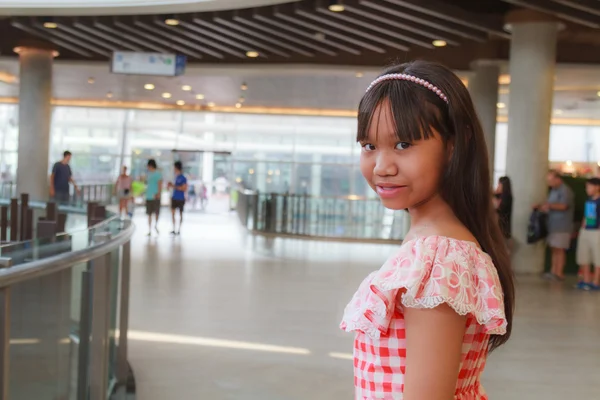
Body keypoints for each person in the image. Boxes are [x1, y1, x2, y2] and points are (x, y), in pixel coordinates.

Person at [339, 61, 514, 399]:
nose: (382, 167)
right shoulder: (439, 242)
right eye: (369, 145)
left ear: (453, 145)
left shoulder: (437, 257)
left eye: (403, 144)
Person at [540, 170, 574, 281]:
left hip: (562, 226)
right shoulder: (553, 191)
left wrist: (549, 206)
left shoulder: (565, 191)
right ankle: (553, 271)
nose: (549, 183)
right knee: (554, 249)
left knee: (560, 249)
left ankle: (559, 273)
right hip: (553, 225)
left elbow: (564, 206)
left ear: (558, 179)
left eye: (551, 180)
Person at [575, 177, 600, 290]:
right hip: (586, 230)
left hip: (596, 231)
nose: (587, 189)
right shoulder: (589, 200)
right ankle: (586, 280)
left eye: (589, 186)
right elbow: (587, 215)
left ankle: (596, 281)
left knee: (597, 257)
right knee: (584, 255)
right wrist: (583, 227)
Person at [494, 176, 513, 250]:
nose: (498, 186)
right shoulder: (502, 196)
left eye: (499, 184)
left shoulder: (506, 197)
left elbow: (498, 208)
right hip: (502, 227)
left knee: (502, 249)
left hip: (503, 227)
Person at [169, 161, 187, 235]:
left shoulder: (183, 178)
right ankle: (174, 228)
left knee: (180, 214)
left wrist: (174, 186)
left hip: (181, 198)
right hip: (174, 197)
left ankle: (179, 229)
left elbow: (184, 188)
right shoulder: (176, 177)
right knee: (173, 213)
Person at [145, 159, 163, 236]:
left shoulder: (158, 174)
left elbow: (160, 184)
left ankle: (155, 225)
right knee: (149, 213)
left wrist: (158, 193)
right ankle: (149, 230)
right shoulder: (148, 174)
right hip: (148, 196)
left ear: (151, 165)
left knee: (156, 213)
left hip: (155, 196)